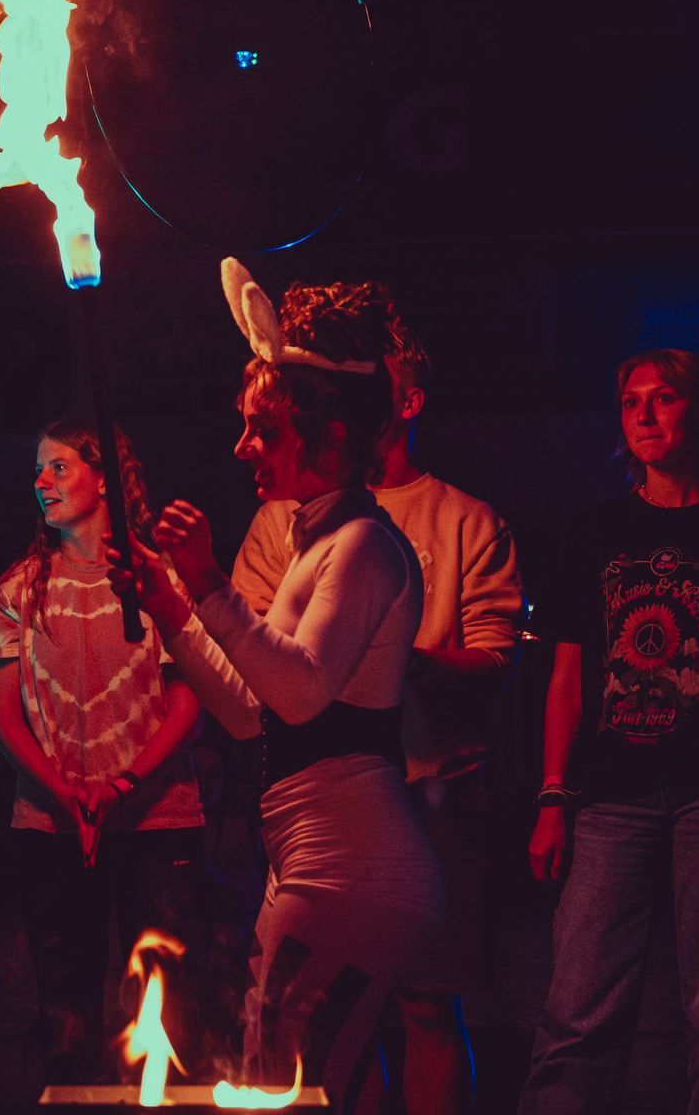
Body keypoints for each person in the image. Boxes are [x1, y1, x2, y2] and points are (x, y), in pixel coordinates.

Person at [119, 260, 445, 1113]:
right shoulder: (314, 545)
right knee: (319, 1090)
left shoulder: (364, 548)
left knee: (277, 1088)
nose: (242, 449)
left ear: (329, 437)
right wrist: (173, 604)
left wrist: (214, 586)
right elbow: (248, 708)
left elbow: (298, 693)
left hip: (351, 877)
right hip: (317, 867)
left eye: (263, 430)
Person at [231, 281, 522, 1115]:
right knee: (329, 1024)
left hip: (430, 790)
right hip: (321, 806)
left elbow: (491, 662)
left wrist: (388, 654)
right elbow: (264, 651)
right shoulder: (285, 520)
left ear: (398, 399)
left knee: (427, 1005)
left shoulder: (464, 521)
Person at [519, 349, 699, 1115]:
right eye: (631, 402)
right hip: (610, 793)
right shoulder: (595, 532)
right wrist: (553, 795)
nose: (646, 414)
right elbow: (568, 677)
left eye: (664, 399)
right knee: (577, 1010)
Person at [0, 416, 205, 1084]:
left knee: (164, 1020)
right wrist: (65, 791)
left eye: (59, 467)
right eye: (38, 469)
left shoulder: (159, 580)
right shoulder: (16, 590)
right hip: (52, 825)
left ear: (103, 476)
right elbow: (4, 715)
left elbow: (190, 703)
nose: (41, 481)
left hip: (157, 822)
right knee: (64, 1016)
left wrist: (121, 785)